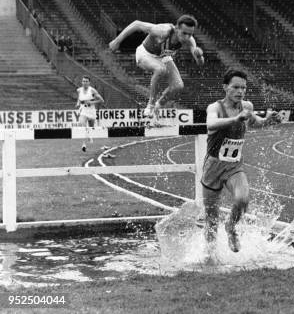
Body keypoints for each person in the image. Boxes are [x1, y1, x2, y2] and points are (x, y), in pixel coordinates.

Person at [198, 69, 282, 252]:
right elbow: (210, 124)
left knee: (242, 199)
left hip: (234, 165)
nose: (240, 91)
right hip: (213, 167)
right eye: (235, 87)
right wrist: (235, 119)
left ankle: (231, 227)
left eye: (243, 88)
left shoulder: (247, 106)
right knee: (211, 219)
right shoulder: (215, 107)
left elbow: (255, 122)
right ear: (225, 88)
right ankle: (210, 257)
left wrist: (269, 120)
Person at [108, 15, 204, 118]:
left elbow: (200, 64)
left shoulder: (190, 41)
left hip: (163, 57)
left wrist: (199, 57)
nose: (186, 37)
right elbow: (137, 24)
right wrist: (117, 41)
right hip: (145, 54)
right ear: (176, 29)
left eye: (190, 34)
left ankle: (159, 105)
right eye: (184, 33)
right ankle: (150, 105)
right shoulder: (163, 30)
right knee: (160, 69)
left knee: (178, 85)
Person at [75, 76, 104, 152]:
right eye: (83, 81)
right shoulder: (79, 90)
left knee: (91, 128)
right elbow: (79, 98)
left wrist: (91, 102)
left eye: (86, 81)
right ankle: (84, 145)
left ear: (89, 82)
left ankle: (90, 136)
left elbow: (101, 100)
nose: (84, 83)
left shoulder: (92, 91)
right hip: (83, 110)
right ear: (81, 82)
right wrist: (78, 103)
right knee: (83, 125)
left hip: (91, 111)